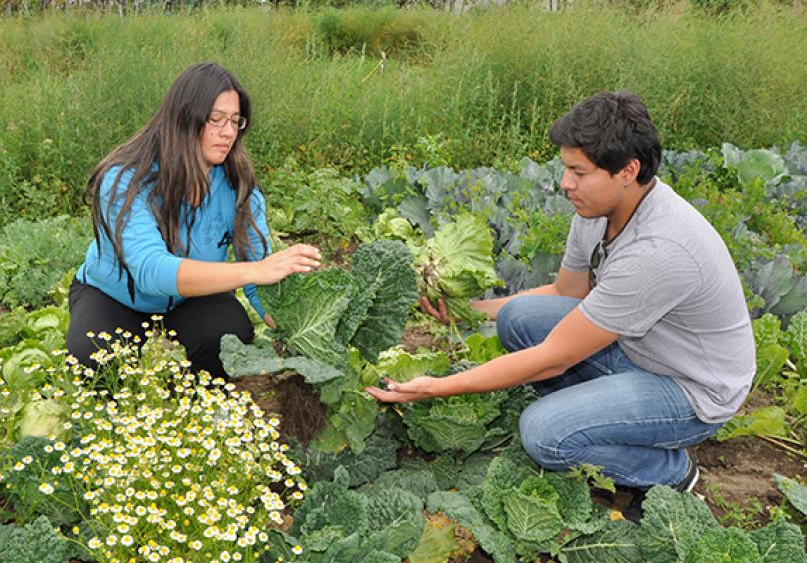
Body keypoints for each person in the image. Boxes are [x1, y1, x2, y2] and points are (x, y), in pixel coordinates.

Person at [367, 91, 755, 493]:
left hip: (690, 391)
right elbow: (566, 292)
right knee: (520, 318)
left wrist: (435, 386)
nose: (566, 183)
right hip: (641, 350)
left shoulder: (659, 250)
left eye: (580, 172)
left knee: (543, 433)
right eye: (565, 168)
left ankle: (670, 471)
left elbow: (552, 360)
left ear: (627, 170)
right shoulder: (598, 211)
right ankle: (595, 416)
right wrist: (470, 310)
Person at [66, 63, 321, 379]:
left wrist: (302, 332)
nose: (228, 132)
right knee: (91, 361)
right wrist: (256, 269)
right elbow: (150, 271)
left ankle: (190, 399)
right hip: (115, 296)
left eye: (235, 121)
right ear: (184, 117)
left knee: (227, 336)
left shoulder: (239, 187)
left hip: (190, 298)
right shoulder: (125, 180)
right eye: (215, 119)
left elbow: (259, 286)